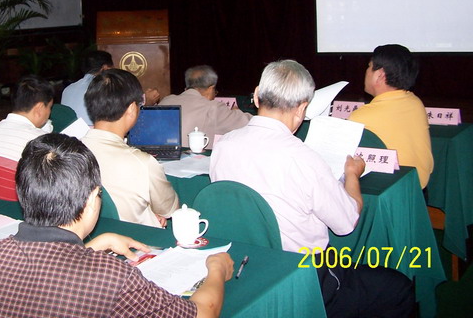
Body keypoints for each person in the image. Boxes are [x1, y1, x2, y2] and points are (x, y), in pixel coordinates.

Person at [210, 60, 414, 318]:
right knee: (398, 288)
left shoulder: (224, 145)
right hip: (302, 275)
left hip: (244, 264)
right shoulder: (304, 158)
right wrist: (352, 175)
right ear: (302, 109)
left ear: (257, 96)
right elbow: (347, 222)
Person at [0, 133, 233, 317]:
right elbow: (202, 313)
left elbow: (46, 274)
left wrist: (93, 246)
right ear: (93, 199)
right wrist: (217, 269)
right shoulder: (110, 277)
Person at [81, 68, 178, 228]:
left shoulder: (71, 152)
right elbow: (169, 209)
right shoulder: (143, 163)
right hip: (136, 239)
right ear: (132, 109)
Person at [349, 44, 433, 188]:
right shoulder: (415, 102)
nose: (366, 71)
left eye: (369, 67)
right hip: (418, 189)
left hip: (390, 191)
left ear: (379, 75)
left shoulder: (362, 117)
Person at [0, 75, 55, 200]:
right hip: (16, 208)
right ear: (39, 108)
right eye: (49, 107)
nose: (49, 113)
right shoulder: (39, 142)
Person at [159, 65, 250, 148]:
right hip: (192, 160)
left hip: (158, 158)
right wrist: (237, 112)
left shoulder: (166, 100)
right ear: (210, 89)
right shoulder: (212, 108)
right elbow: (249, 124)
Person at [62, 50, 160, 125]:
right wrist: (146, 101)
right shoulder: (105, 88)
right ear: (105, 68)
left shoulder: (68, 89)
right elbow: (124, 115)